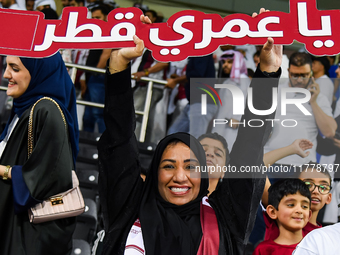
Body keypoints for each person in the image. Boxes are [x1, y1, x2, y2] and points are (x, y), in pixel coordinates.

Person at [97, 9, 283, 255]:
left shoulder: (226, 217)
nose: (180, 177)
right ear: (154, 171)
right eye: (169, 166)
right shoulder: (129, 206)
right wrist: (120, 65)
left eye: (191, 166)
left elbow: (250, 145)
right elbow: (119, 138)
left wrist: (267, 74)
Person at [0, 53, 79, 254]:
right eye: (6, 66)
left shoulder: (46, 110)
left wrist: (4, 171)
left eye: (15, 68)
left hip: (26, 235)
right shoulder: (25, 106)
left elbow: (50, 177)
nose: (5, 74)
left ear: (38, 72)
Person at [264, 52, 336, 179]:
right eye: (295, 75)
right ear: (288, 71)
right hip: (271, 160)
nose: (299, 80)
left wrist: (313, 101)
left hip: (302, 165)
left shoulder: (320, 98)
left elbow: (329, 132)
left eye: (304, 75)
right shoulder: (274, 92)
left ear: (311, 73)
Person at [263, 164, 332, 242]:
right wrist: (292, 151)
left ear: (329, 198)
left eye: (323, 187)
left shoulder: (325, 237)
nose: (316, 191)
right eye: (308, 185)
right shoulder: (279, 215)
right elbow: (256, 166)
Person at [253, 179, 312, 255]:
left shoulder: (316, 246)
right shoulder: (263, 250)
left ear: (309, 215)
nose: (299, 210)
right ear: (272, 212)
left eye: (304, 206)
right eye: (291, 205)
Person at [212, 49, 251, 151]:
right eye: (224, 62)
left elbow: (244, 100)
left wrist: (236, 118)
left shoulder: (244, 81)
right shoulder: (227, 82)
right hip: (221, 125)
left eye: (229, 62)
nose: (225, 65)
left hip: (232, 128)